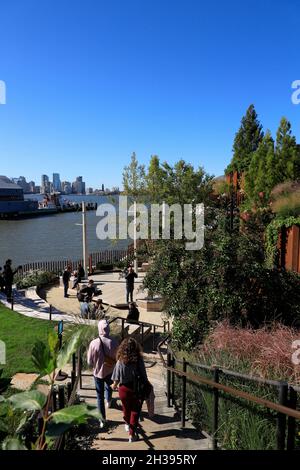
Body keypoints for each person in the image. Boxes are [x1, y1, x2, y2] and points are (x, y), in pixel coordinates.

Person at [111, 337, 149, 442]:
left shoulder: (120, 361)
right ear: (135, 347)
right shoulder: (139, 360)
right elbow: (144, 376)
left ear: (123, 348)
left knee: (126, 409)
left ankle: (127, 424)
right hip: (136, 388)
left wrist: (114, 385)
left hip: (123, 390)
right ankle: (131, 435)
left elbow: (116, 378)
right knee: (135, 412)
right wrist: (146, 385)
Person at [87, 320, 118, 428]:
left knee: (99, 396)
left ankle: (102, 420)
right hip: (111, 371)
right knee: (109, 386)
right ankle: (109, 400)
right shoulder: (114, 342)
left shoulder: (93, 343)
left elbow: (89, 362)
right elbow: (117, 358)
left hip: (97, 373)